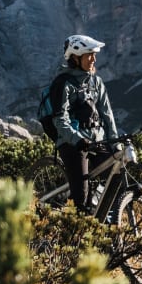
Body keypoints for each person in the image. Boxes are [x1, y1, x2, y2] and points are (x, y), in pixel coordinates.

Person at [50, 34, 121, 213]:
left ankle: (107, 221)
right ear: (76, 57)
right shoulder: (62, 83)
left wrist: (115, 142)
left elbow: (107, 115)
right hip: (73, 144)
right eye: (89, 55)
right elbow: (60, 120)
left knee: (115, 177)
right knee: (81, 198)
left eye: (94, 55)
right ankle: (72, 229)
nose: (94, 59)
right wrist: (77, 140)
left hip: (96, 141)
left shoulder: (96, 81)